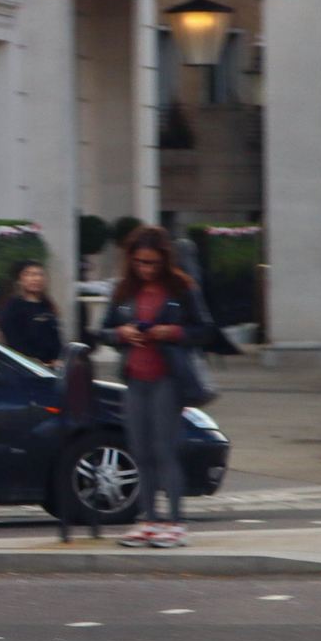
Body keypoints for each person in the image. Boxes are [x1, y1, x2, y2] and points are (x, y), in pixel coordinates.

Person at [96, 226, 208, 549]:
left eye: (153, 263)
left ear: (164, 260)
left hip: (167, 377)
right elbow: (103, 330)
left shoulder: (181, 289)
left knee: (164, 449)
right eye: (141, 262)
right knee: (140, 450)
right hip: (135, 375)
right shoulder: (123, 291)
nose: (146, 269)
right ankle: (147, 518)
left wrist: (170, 332)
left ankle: (174, 521)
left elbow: (204, 329)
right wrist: (122, 333)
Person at [0, 261, 66, 367]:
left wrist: (56, 359)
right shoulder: (13, 306)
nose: (36, 279)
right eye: (30, 274)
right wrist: (29, 359)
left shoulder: (47, 306)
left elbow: (55, 338)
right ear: (21, 279)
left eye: (40, 274)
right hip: (26, 366)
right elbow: (12, 337)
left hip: (51, 367)